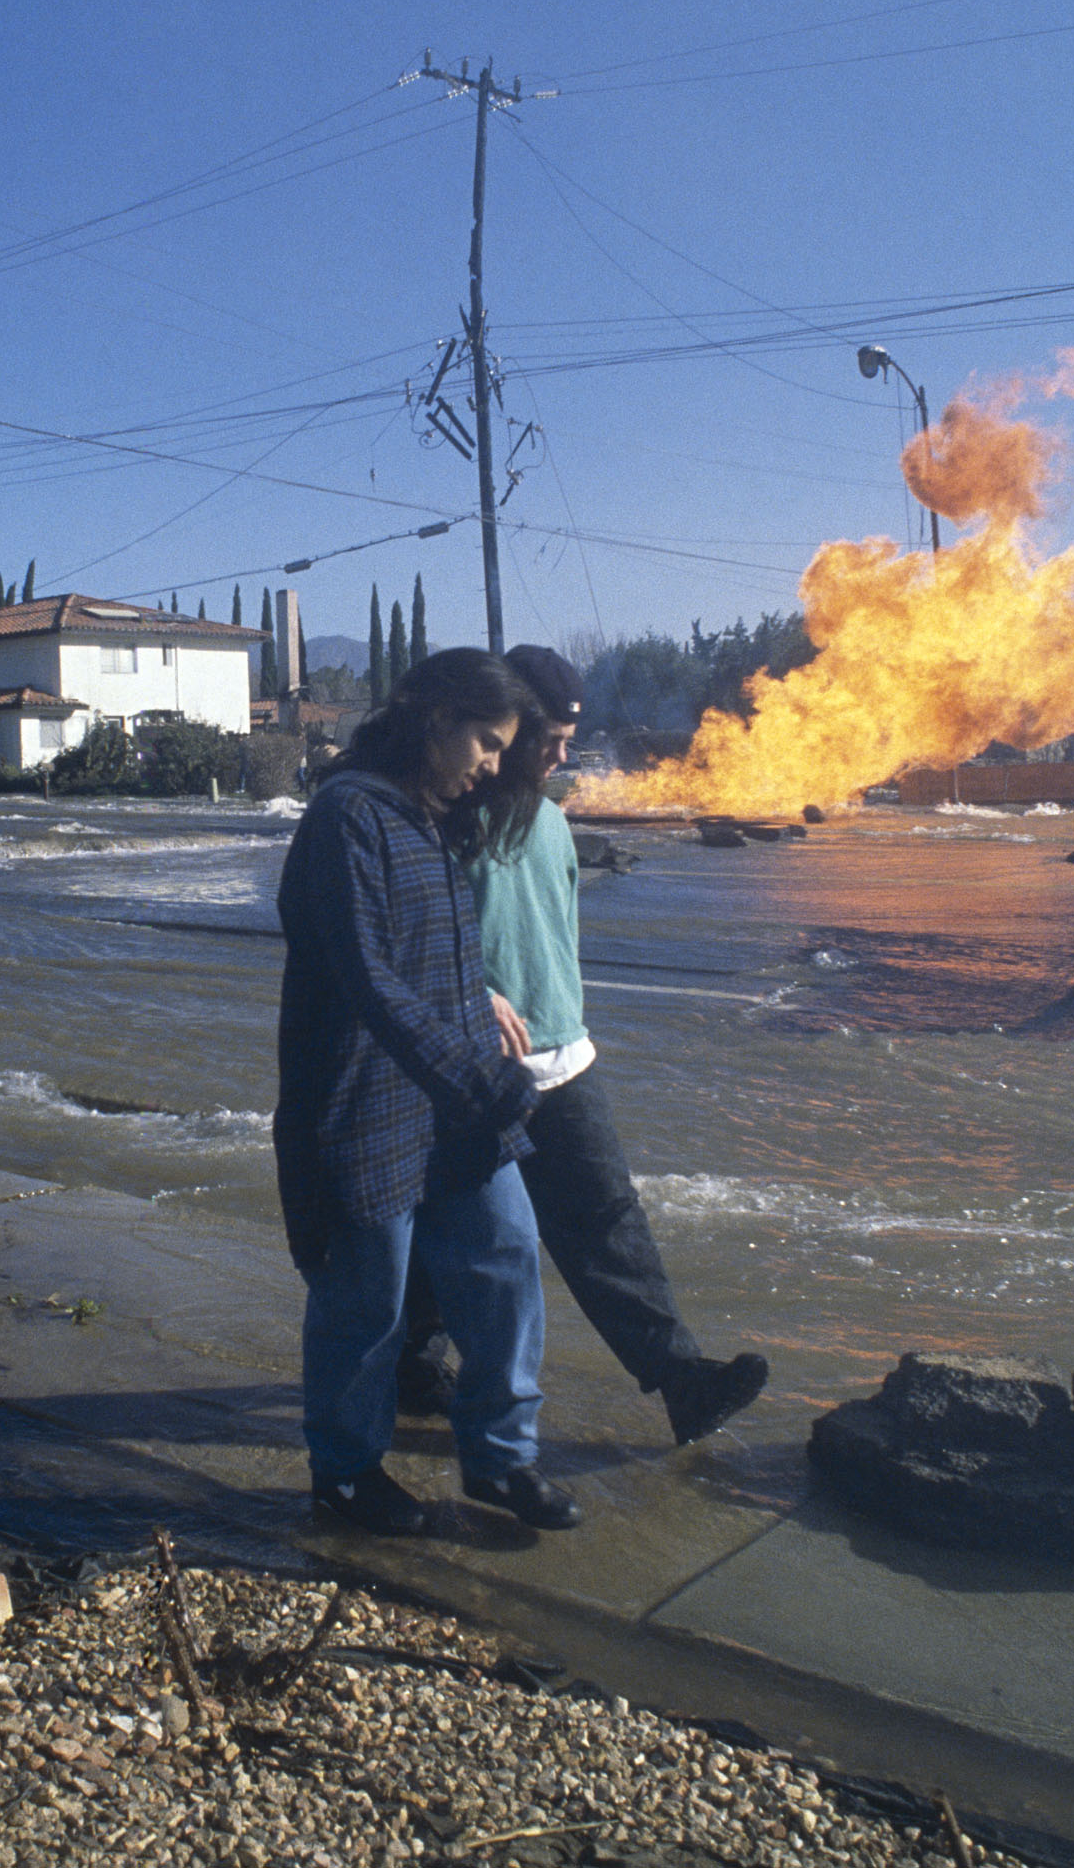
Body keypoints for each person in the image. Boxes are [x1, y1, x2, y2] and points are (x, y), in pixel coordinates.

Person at [399, 646, 770, 1445]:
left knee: (607, 1220)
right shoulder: (441, 816)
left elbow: (557, 935)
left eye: (573, 738)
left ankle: (683, 1381)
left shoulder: (555, 822)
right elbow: (409, 932)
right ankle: (410, 1360)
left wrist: (566, 1019)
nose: (565, 756)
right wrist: (464, 1003)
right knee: (456, 1226)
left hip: (565, 1058)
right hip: (469, 1065)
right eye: (552, 739)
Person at [276, 647, 577, 1538]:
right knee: (364, 1303)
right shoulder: (348, 818)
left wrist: (476, 990)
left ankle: (502, 1458)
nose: (493, 764)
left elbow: (427, 946)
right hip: (362, 1102)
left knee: (507, 1263)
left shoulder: (426, 815)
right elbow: (370, 977)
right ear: (434, 718)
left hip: (448, 1108)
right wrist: (483, 1079)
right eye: (486, 742)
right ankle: (345, 1474)